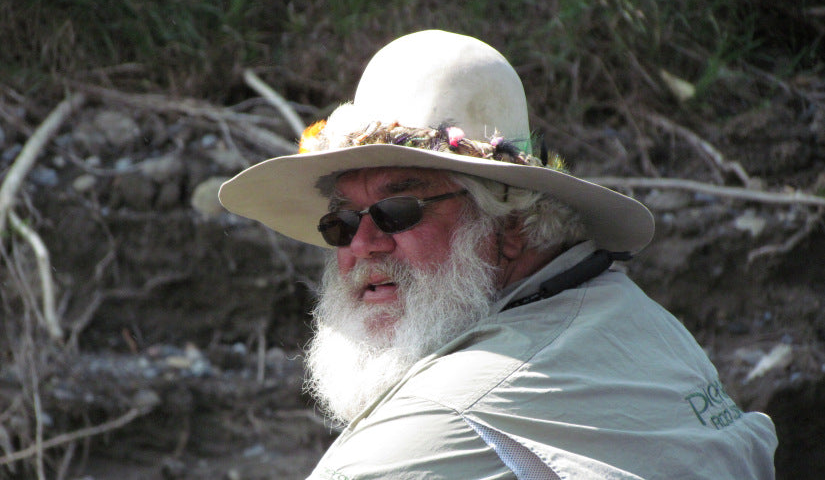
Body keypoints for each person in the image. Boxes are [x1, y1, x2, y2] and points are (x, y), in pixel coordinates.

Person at [219, 30, 777, 479]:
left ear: (512, 225)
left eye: (399, 211)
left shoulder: (430, 426)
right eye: (340, 223)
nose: (362, 244)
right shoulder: (642, 320)